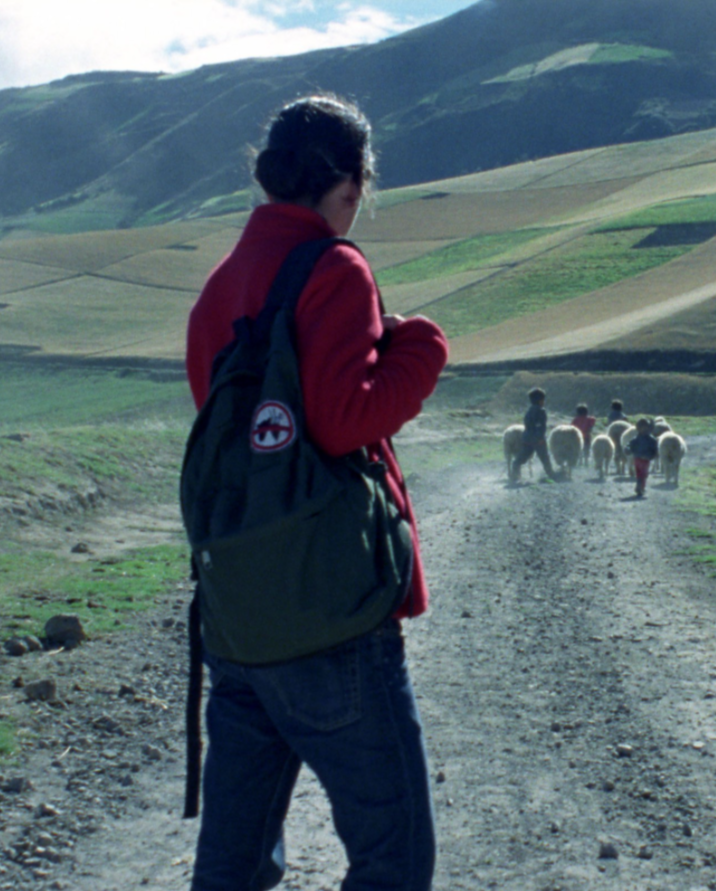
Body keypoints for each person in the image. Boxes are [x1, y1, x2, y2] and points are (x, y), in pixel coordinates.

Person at [184, 94, 445, 891]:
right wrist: (421, 348)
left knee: (233, 865)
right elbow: (341, 421)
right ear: (351, 183)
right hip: (330, 617)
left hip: (238, 617)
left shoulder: (219, 287)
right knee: (393, 857)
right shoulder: (333, 268)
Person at [511, 387, 553, 482]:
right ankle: (552, 475)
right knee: (545, 458)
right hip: (537, 439)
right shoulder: (541, 411)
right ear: (540, 400)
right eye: (543, 400)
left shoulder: (529, 411)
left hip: (527, 438)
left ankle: (514, 475)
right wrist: (540, 437)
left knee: (520, 459)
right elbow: (540, 425)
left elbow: (528, 424)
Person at [625, 416, 659, 498]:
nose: (643, 430)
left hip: (640, 458)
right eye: (642, 428)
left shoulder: (639, 438)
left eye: (645, 428)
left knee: (641, 473)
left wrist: (628, 449)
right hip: (643, 459)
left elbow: (654, 449)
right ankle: (640, 487)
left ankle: (639, 485)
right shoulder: (649, 439)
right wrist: (628, 449)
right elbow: (630, 445)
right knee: (643, 473)